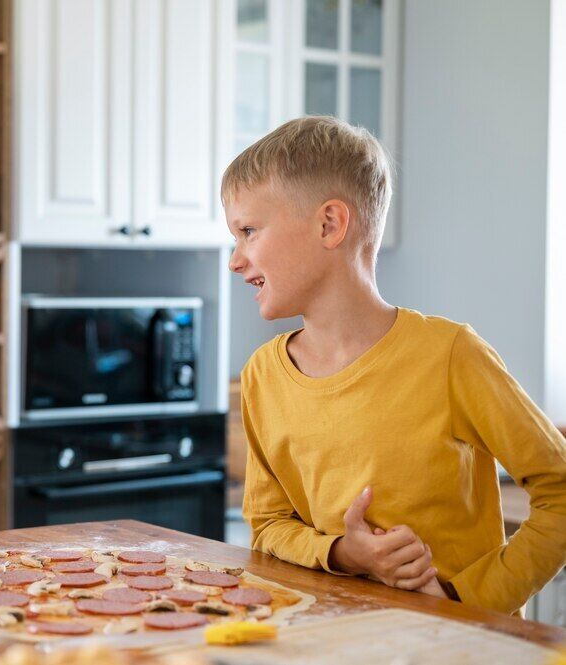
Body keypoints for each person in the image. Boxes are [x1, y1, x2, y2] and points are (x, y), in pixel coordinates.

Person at [225, 115, 566, 613]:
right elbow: (268, 524)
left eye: (248, 231)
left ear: (329, 224)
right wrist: (344, 552)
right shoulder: (262, 374)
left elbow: (560, 489)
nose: (235, 259)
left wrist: (463, 601)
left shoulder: (450, 355)